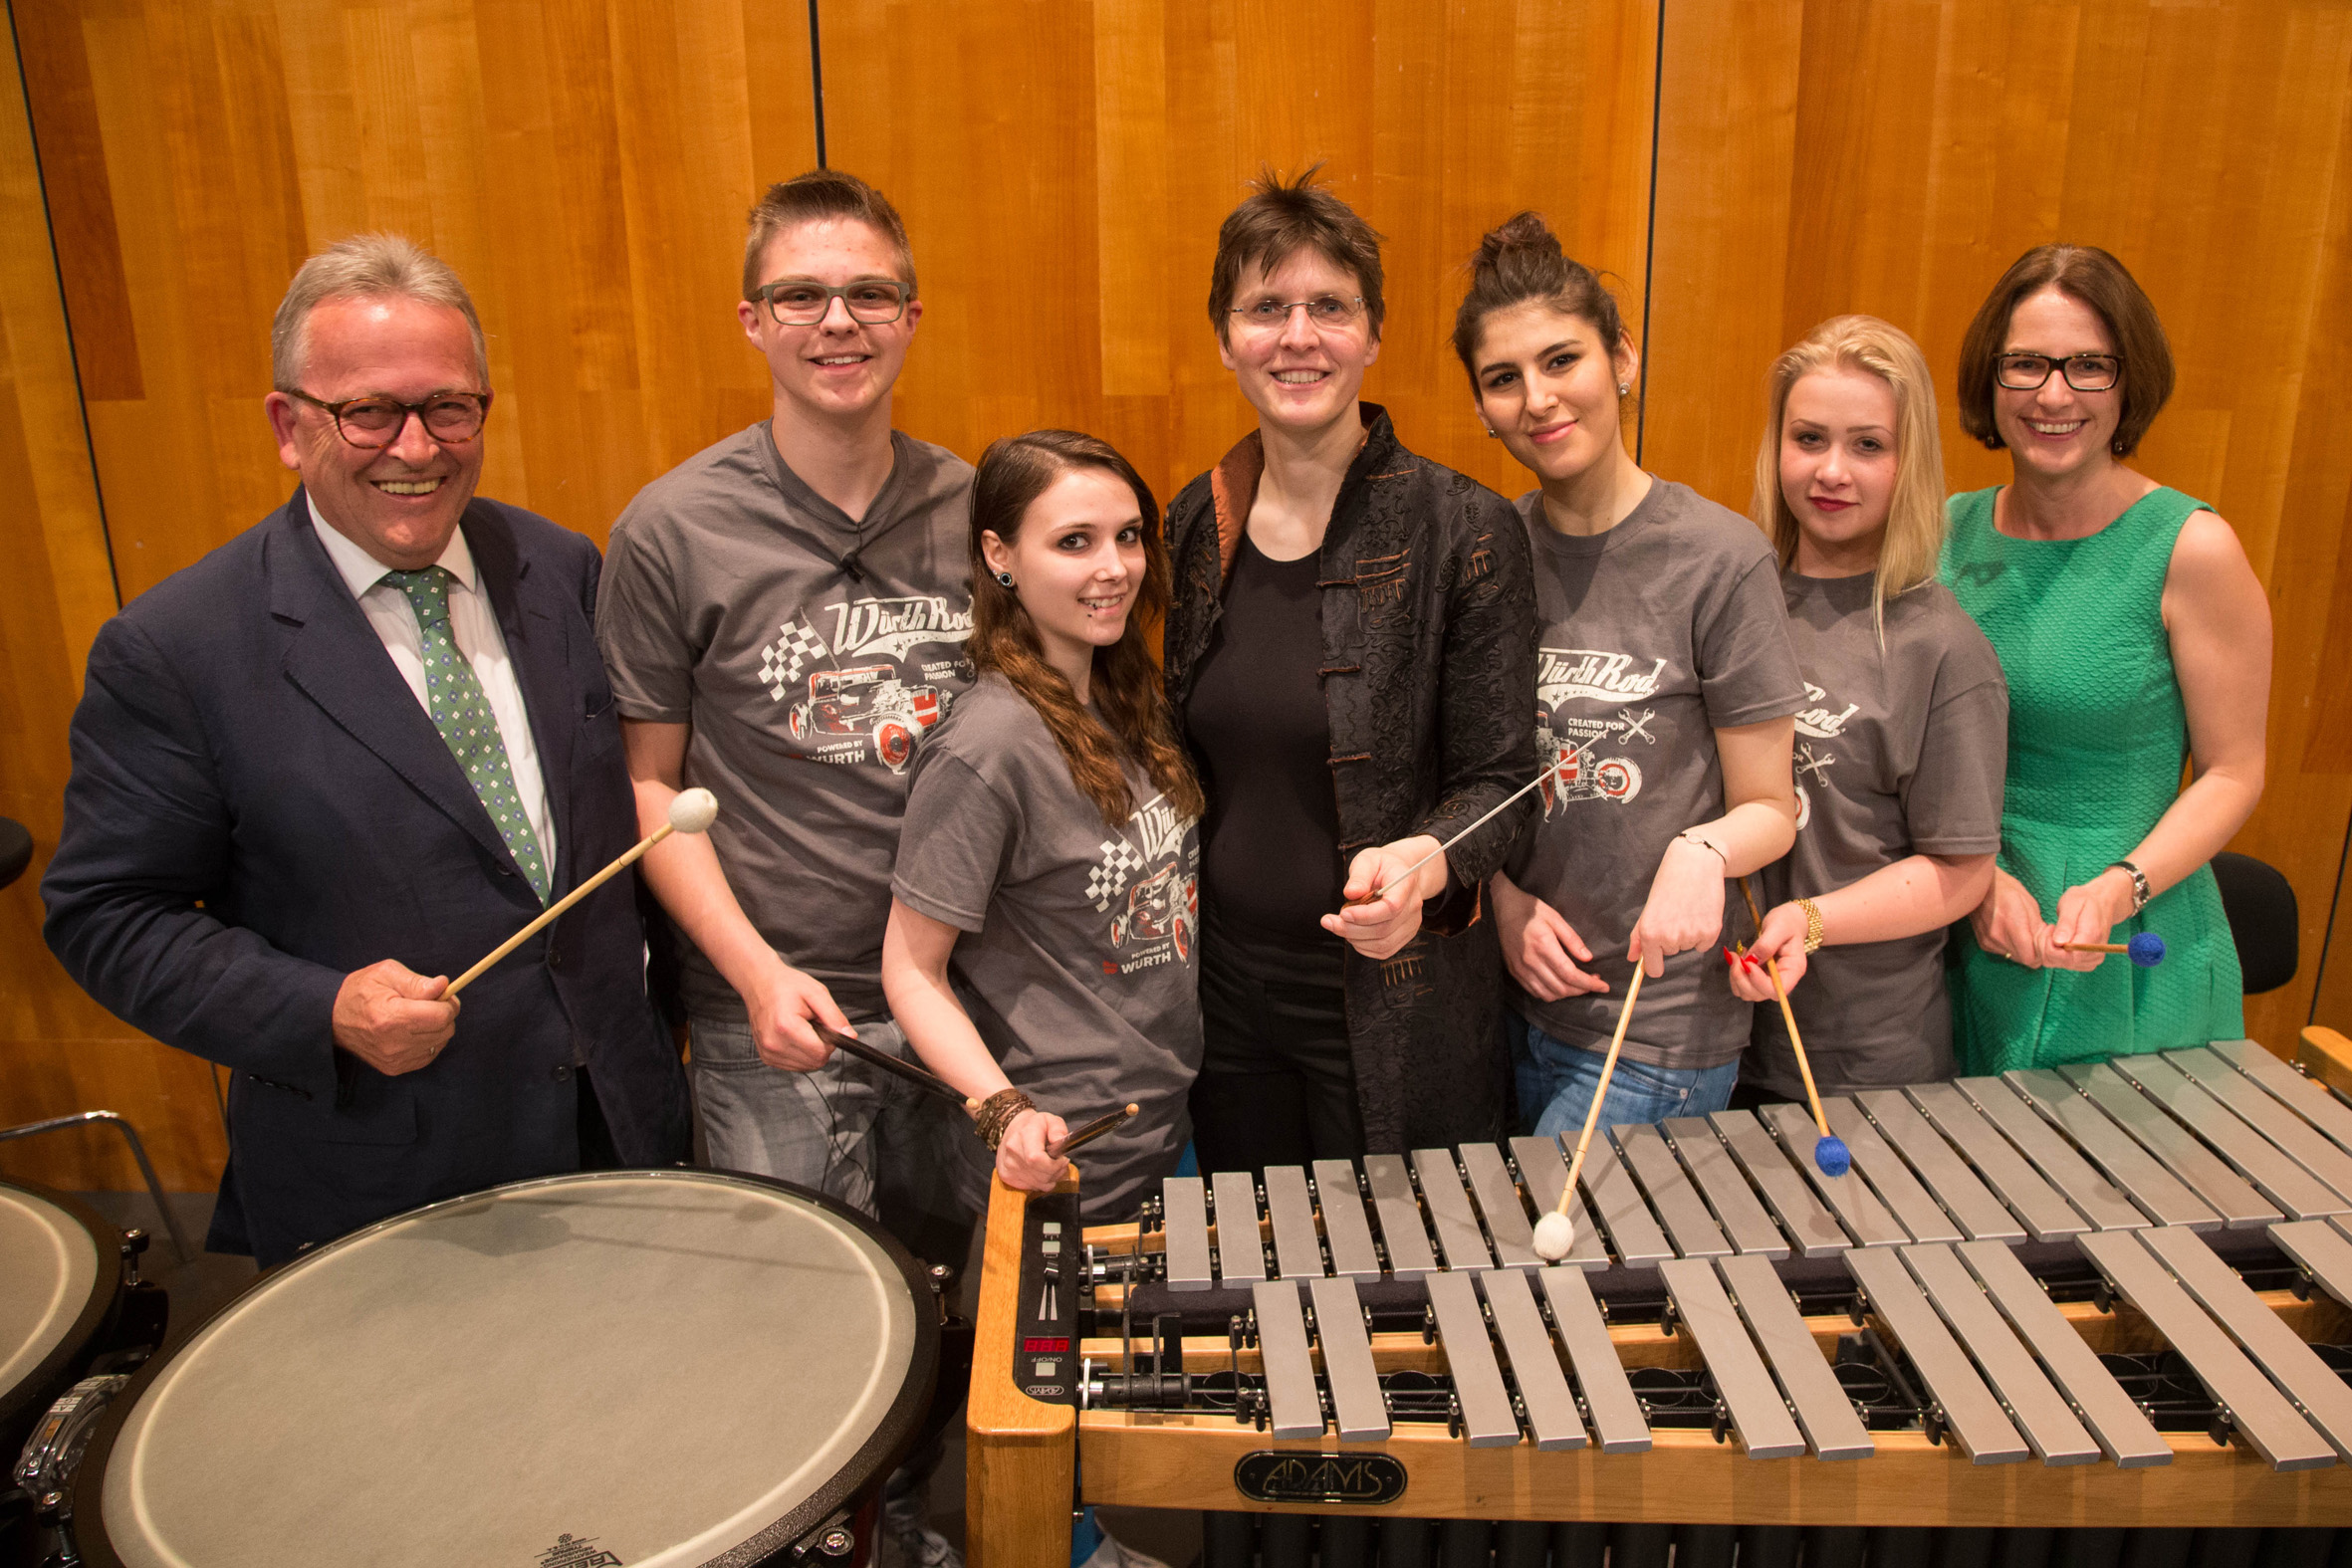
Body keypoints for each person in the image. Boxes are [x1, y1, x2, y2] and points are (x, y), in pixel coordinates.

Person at [41, 235, 689, 1268]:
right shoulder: (177, 648)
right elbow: (107, 913)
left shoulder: (558, 566)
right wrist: (325, 1009)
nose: (417, 448)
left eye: (448, 407)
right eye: (369, 412)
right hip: (388, 1178)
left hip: (620, 1134)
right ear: (287, 425)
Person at [597, 171, 975, 1222]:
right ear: (753, 321)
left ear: (910, 318)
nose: (837, 321)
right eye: (800, 295)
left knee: (973, 1290)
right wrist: (755, 974)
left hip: (963, 994)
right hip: (771, 1014)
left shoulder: (978, 508)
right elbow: (651, 788)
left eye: (869, 294)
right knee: (809, 1302)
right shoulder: (669, 531)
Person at [1161, 168, 1537, 1172]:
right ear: (1225, 338)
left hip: (1396, 997)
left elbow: (1504, 785)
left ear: (1372, 335)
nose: (1298, 337)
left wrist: (1426, 859)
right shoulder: (1192, 522)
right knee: (1254, 1254)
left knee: (1398, 1258)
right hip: (1225, 1000)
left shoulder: (1464, 528)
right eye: (1266, 309)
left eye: (1329, 307)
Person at [1459, 213, 1803, 1136]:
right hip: (1510, 1002)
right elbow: (1467, 784)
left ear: (1622, 358)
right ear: (1482, 408)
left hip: (1655, 1031)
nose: (1538, 398)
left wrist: (1703, 850)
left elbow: (1770, 809)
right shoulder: (1487, 551)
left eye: (1561, 360)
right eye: (1504, 378)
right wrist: (1501, 900)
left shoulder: (1720, 558)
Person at [1942, 245, 2270, 1071]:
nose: (2054, 395)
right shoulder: (1942, 536)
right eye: (2026, 364)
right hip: (1963, 927)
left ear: (2129, 383)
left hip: (2126, 932)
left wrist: (2123, 885)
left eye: (2089, 365)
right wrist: (1976, 878)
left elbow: (2234, 771)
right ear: (1991, 377)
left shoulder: (2193, 548)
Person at [883, 430, 1203, 1227]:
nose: (1114, 567)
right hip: (1054, 1166)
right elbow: (912, 970)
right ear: (1001, 556)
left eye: (1128, 536)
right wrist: (1004, 1110)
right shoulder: (987, 746)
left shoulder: (1128, 698)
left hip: (1163, 1131)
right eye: (1074, 542)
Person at [1727, 317, 2008, 1101]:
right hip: (1711, 1041)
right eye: (1809, 438)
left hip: (1861, 1064)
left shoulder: (1943, 648)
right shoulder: (1729, 601)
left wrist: (1812, 919)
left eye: (1868, 446)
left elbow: (1962, 871)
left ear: (1909, 462)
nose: (1832, 471)